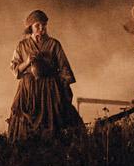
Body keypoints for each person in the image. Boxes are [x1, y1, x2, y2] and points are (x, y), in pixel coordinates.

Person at [6, 10, 82, 140]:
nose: (42, 28)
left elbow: (64, 68)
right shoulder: (22, 46)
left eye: (44, 25)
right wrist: (27, 62)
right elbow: (15, 70)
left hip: (50, 90)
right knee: (23, 120)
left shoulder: (53, 44)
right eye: (37, 25)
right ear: (30, 27)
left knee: (53, 121)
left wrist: (63, 87)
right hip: (28, 90)